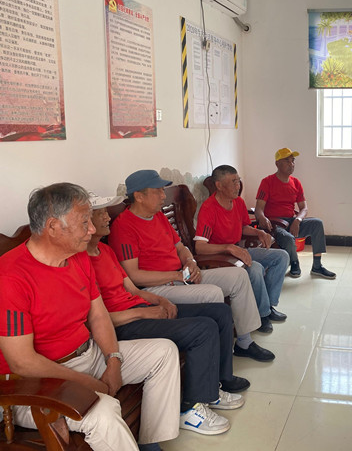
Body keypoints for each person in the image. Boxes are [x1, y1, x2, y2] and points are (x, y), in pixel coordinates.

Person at [0, 183, 180, 451]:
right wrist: (91, 383)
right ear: (53, 226)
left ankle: (150, 444)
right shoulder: (11, 276)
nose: (92, 229)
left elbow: (98, 315)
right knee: (103, 411)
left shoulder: (77, 257)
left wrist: (113, 360)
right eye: (84, 222)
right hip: (36, 384)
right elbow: (23, 362)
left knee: (164, 352)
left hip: (89, 355)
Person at [88, 193, 251, 436]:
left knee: (220, 312)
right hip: (124, 324)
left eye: (105, 212)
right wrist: (143, 313)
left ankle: (216, 386)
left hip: (141, 308)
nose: (106, 217)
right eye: (99, 213)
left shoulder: (104, 250)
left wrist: (160, 300)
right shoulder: (81, 262)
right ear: (85, 223)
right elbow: (95, 320)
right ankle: (190, 408)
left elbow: (132, 289)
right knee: (203, 329)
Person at [108, 169, 274, 362]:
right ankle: (219, 356)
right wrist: (176, 276)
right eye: (158, 191)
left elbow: (181, 247)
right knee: (212, 293)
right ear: (139, 196)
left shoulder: (158, 216)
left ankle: (244, 342)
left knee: (239, 276)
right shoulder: (124, 226)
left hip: (182, 275)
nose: (163, 196)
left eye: (163, 191)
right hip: (158, 287)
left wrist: (190, 261)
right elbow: (133, 275)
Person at [195, 165, 289, 333]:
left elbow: (244, 227)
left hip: (238, 250)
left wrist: (259, 232)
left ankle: (267, 306)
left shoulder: (238, 202)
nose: (238, 186)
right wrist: (228, 248)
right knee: (256, 268)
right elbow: (200, 247)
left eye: (238, 181)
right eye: (233, 182)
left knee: (281, 256)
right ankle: (262, 314)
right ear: (219, 185)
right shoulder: (209, 209)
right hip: (221, 257)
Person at [255, 147, 336, 279]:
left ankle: (317, 266)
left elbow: (304, 208)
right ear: (277, 164)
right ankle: (294, 263)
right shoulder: (267, 182)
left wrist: (298, 220)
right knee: (287, 238)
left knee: (317, 223)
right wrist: (262, 218)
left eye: (293, 161)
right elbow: (259, 208)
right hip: (275, 224)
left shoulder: (296, 183)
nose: (291, 164)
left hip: (291, 221)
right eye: (287, 161)